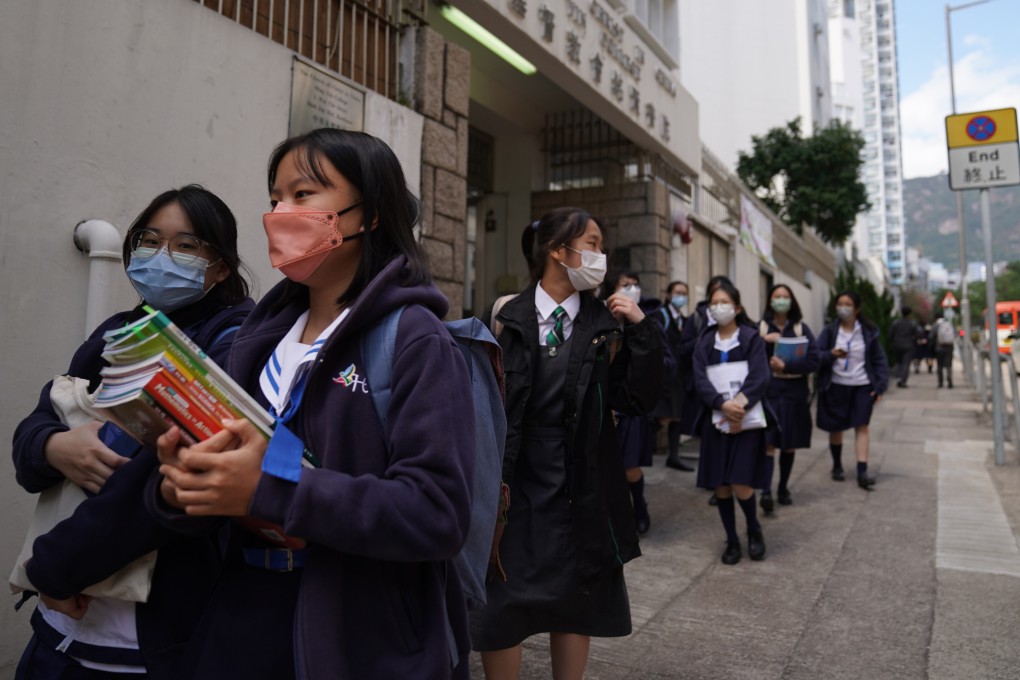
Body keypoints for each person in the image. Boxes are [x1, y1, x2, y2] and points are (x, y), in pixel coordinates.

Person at [150, 129, 476, 679]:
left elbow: (437, 512)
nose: (280, 213)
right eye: (276, 197)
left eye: (304, 195)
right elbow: (247, 468)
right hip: (239, 620)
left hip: (357, 637)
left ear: (367, 214)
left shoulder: (416, 340)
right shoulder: (258, 340)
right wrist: (181, 485)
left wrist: (271, 488)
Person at [12, 185, 255, 679]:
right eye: (149, 239)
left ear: (221, 268)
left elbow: (168, 475)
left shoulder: (233, 344)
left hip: (149, 635)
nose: (161, 255)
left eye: (186, 246)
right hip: (59, 631)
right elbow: (34, 427)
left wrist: (57, 568)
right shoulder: (115, 332)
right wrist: (55, 446)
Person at [472, 209, 663, 680]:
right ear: (559, 251)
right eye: (593, 244)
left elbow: (638, 398)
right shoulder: (503, 316)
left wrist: (641, 330)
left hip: (581, 482)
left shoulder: (608, 325)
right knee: (502, 602)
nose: (601, 257)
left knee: (577, 600)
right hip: (513, 482)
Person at [693, 280, 771, 564]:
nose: (719, 307)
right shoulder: (703, 342)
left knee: (741, 482)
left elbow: (760, 376)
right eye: (714, 303)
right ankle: (732, 540)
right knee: (721, 485)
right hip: (716, 421)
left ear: (737, 307)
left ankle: (753, 528)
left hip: (746, 421)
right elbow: (700, 380)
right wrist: (722, 405)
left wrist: (737, 407)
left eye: (725, 302)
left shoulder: (750, 338)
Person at [816, 290, 889, 490]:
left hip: (862, 386)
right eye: (840, 304)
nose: (843, 308)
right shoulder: (830, 331)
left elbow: (879, 360)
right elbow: (816, 354)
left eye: (847, 304)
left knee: (862, 425)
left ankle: (862, 471)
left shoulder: (868, 332)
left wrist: (880, 386)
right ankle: (837, 465)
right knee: (836, 427)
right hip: (836, 385)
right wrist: (831, 354)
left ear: (856, 309)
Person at [757, 284, 820, 513]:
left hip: (795, 393)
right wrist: (764, 341)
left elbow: (814, 360)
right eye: (777, 296)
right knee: (768, 443)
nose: (781, 300)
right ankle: (766, 491)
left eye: (785, 297)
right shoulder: (761, 328)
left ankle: (783, 488)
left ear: (792, 301)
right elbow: (748, 358)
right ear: (769, 300)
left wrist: (787, 365)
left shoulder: (801, 328)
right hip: (770, 392)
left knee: (790, 444)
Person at [678, 275, 733, 506]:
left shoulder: (741, 324)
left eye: (725, 299)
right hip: (705, 393)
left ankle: (727, 481)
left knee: (731, 439)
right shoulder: (698, 318)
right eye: (715, 298)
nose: (720, 306)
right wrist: (702, 339)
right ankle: (715, 482)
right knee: (710, 437)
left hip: (733, 393)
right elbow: (682, 349)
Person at [653, 280, 695, 472]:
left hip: (678, 376)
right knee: (660, 416)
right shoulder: (661, 316)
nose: (681, 296)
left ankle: (674, 455)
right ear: (669, 294)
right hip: (663, 373)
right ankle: (642, 448)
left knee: (676, 416)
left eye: (684, 293)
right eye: (678, 292)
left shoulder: (686, 321)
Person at [889, 306, 917, 388]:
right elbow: (916, 334)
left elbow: (890, 334)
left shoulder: (896, 323)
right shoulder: (912, 323)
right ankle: (903, 381)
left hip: (897, 345)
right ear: (909, 314)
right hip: (908, 346)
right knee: (906, 363)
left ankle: (898, 378)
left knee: (899, 363)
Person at [931, 313, 955, 388]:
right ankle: (949, 377)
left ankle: (940, 382)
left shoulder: (935, 326)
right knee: (949, 365)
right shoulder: (949, 324)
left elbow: (931, 336)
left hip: (939, 348)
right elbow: (954, 335)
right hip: (949, 347)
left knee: (939, 365)